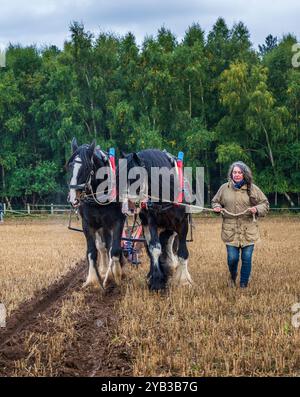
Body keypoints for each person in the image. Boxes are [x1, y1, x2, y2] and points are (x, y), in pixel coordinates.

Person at [211, 161, 269, 288]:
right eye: (234, 172)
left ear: (244, 174)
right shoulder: (224, 188)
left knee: (246, 259)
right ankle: (232, 276)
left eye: (239, 172)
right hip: (230, 231)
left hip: (248, 231)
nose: (236, 175)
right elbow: (215, 201)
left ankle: (243, 285)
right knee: (232, 259)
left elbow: (265, 203)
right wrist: (216, 207)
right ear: (231, 174)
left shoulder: (253, 188)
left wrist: (257, 209)